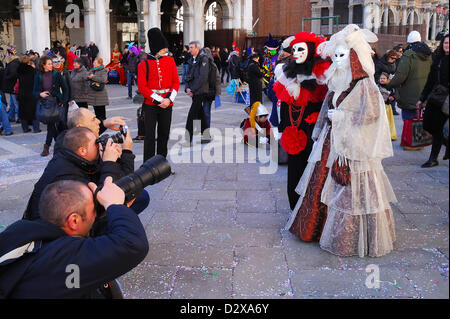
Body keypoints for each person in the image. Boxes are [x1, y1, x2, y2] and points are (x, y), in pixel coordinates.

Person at [293, 24, 396, 257]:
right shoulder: (337, 81)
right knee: (321, 184)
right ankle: (317, 230)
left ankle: (347, 238)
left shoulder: (364, 84)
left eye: (343, 56)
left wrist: (342, 116)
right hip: (332, 142)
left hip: (354, 147)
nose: (337, 61)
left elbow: (373, 115)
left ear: (354, 58)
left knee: (351, 191)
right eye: (335, 56)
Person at [0, 178, 149, 298]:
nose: (96, 214)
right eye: (93, 210)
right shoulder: (60, 261)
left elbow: (75, 281)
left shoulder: (23, 230)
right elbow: (133, 244)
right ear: (74, 221)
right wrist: (114, 205)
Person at [23, 125, 146, 221]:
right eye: (95, 144)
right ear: (82, 150)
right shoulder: (67, 176)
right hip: (54, 236)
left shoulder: (71, 156)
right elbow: (111, 196)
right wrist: (111, 161)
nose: (99, 145)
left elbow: (119, 181)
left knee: (141, 195)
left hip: (64, 217)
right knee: (130, 201)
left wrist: (114, 160)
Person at [273, 32, 330, 211]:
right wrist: (283, 126)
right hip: (293, 129)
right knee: (294, 168)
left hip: (312, 129)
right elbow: (283, 102)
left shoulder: (321, 74)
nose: (296, 53)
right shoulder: (287, 73)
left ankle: (310, 210)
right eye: (294, 49)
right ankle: (295, 207)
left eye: (301, 49)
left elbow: (325, 103)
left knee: (311, 168)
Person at [381, 30, 432, 150]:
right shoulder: (429, 55)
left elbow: (400, 76)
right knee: (419, 117)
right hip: (424, 94)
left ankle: (411, 143)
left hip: (409, 94)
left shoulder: (409, 55)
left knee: (408, 118)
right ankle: (418, 141)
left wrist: (389, 85)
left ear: (409, 42)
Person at [137, 28, 180, 161]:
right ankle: (148, 166)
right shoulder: (143, 64)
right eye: (162, 48)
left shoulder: (170, 61)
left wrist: (168, 99)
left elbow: (176, 82)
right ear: (156, 47)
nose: (165, 50)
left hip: (167, 104)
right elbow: (142, 87)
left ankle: (161, 164)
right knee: (149, 136)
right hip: (150, 105)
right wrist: (159, 100)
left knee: (164, 135)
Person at [417, 33, 449, 167]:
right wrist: (422, 98)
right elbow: (430, 80)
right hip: (435, 97)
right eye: (446, 43)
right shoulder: (437, 58)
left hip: (447, 99)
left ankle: (433, 158)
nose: (447, 45)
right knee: (428, 124)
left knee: (438, 128)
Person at [33, 55, 69, 157]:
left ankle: (48, 147)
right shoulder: (38, 76)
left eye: (51, 63)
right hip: (46, 104)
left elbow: (65, 89)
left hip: (57, 102)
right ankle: (57, 146)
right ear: (43, 65)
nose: (51, 65)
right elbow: (34, 91)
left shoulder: (57, 74)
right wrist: (40, 94)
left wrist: (63, 100)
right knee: (51, 125)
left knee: (55, 125)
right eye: (49, 64)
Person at [53, 107, 127, 155]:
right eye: (93, 119)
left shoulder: (69, 141)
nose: (98, 121)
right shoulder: (75, 155)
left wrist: (104, 123)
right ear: (79, 127)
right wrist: (127, 151)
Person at [184, 41, 210, 146]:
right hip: (194, 91)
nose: (189, 50)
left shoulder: (204, 59)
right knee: (200, 113)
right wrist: (187, 88)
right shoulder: (192, 60)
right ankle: (206, 135)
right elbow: (188, 76)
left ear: (197, 48)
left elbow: (202, 78)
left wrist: (193, 90)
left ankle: (187, 139)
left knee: (191, 115)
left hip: (200, 91)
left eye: (191, 47)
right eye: (189, 47)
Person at [17, 55, 40, 133]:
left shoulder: (18, 70)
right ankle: (36, 128)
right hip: (31, 93)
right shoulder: (32, 70)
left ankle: (25, 128)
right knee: (34, 111)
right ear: (28, 61)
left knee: (23, 111)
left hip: (21, 93)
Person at [87, 57, 109, 123]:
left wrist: (93, 77)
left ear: (99, 64)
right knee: (96, 113)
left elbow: (103, 79)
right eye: (94, 62)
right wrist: (88, 77)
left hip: (101, 95)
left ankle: (103, 126)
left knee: (102, 114)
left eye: (95, 62)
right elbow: (87, 76)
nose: (93, 63)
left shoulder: (103, 70)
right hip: (93, 94)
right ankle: (98, 127)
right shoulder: (92, 70)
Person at [2, 48, 20, 123]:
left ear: (10, 54)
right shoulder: (14, 62)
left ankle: (18, 117)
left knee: (15, 103)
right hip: (12, 86)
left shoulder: (13, 63)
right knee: (12, 102)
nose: (7, 56)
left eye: (7, 54)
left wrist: (6, 77)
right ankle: (11, 116)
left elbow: (13, 74)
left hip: (13, 86)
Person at [378, 72, 397, 141]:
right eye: (381, 78)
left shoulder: (390, 87)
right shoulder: (377, 87)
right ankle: (379, 134)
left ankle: (389, 134)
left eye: (384, 78)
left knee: (388, 121)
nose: (382, 80)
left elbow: (394, 95)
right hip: (379, 107)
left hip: (387, 107)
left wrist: (392, 98)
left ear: (387, 80)